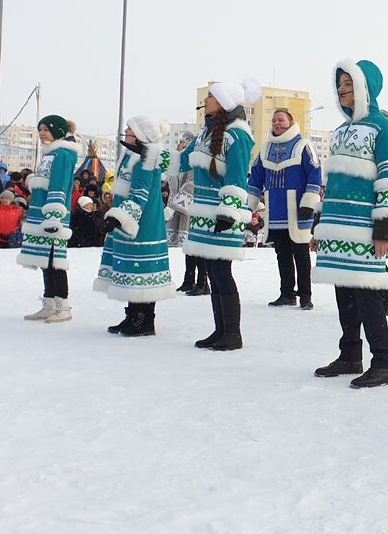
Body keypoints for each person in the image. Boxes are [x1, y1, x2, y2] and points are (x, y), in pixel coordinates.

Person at [311, 59, 388, 388]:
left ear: (366, 88)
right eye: (340, 83)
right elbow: (332, 184)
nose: (342, 89)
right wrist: (320, 227)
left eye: (349, 83)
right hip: (336, 225)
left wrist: (384, 230)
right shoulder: (340, 132)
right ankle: (350, 355)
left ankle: (383, 362)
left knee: (368, 296)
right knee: (344, 292)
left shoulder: (386, 130)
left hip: (364, 226)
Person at [178, 80, 256, 351]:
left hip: (224, 214)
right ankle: (220, 330)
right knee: (211, 271)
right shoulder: (204, 134)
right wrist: (148, 153)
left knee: (222, 272)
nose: (205, 100)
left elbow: (237, 176)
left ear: (223, 103)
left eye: (210, 96)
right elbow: (182, 161)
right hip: (204, 213)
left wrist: (229, 211)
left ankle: (233, 333)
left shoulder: (238, 136)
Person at [96, 116, 177, 337]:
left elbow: (140, 193)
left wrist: (120, 218)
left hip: (143, 222)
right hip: (130, 219)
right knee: (131, 269)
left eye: (129, 129)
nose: (125, 131)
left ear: (141, 134)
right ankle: (132, 315)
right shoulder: (130, 155)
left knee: (143, 270)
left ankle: (145, 320)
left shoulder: (146, 158)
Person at [248, 109, 323, 310]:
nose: (277, 123)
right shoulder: (265, 149)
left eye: (281, 120)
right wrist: (249, 205)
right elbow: (256, 177)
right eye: (274, 120)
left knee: (301, 254)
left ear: (291, 122)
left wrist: (309, 201)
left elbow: (315, 173)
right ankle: (287, 293)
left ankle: (305, 296)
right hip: (276, 209)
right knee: (282, 254)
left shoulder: (303, 145)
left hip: (298, 209)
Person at [18, 115, 83, 323]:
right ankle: (49, 304)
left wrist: (54, 216)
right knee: (45, 260)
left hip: (53, 215)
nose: (42, 133)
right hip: (41, 214)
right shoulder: (50, 153)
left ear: (57, 131)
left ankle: (63, 306)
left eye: (46, 129)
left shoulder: (62, 154)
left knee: (55, 261)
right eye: (40, 129)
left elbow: (59, 185)